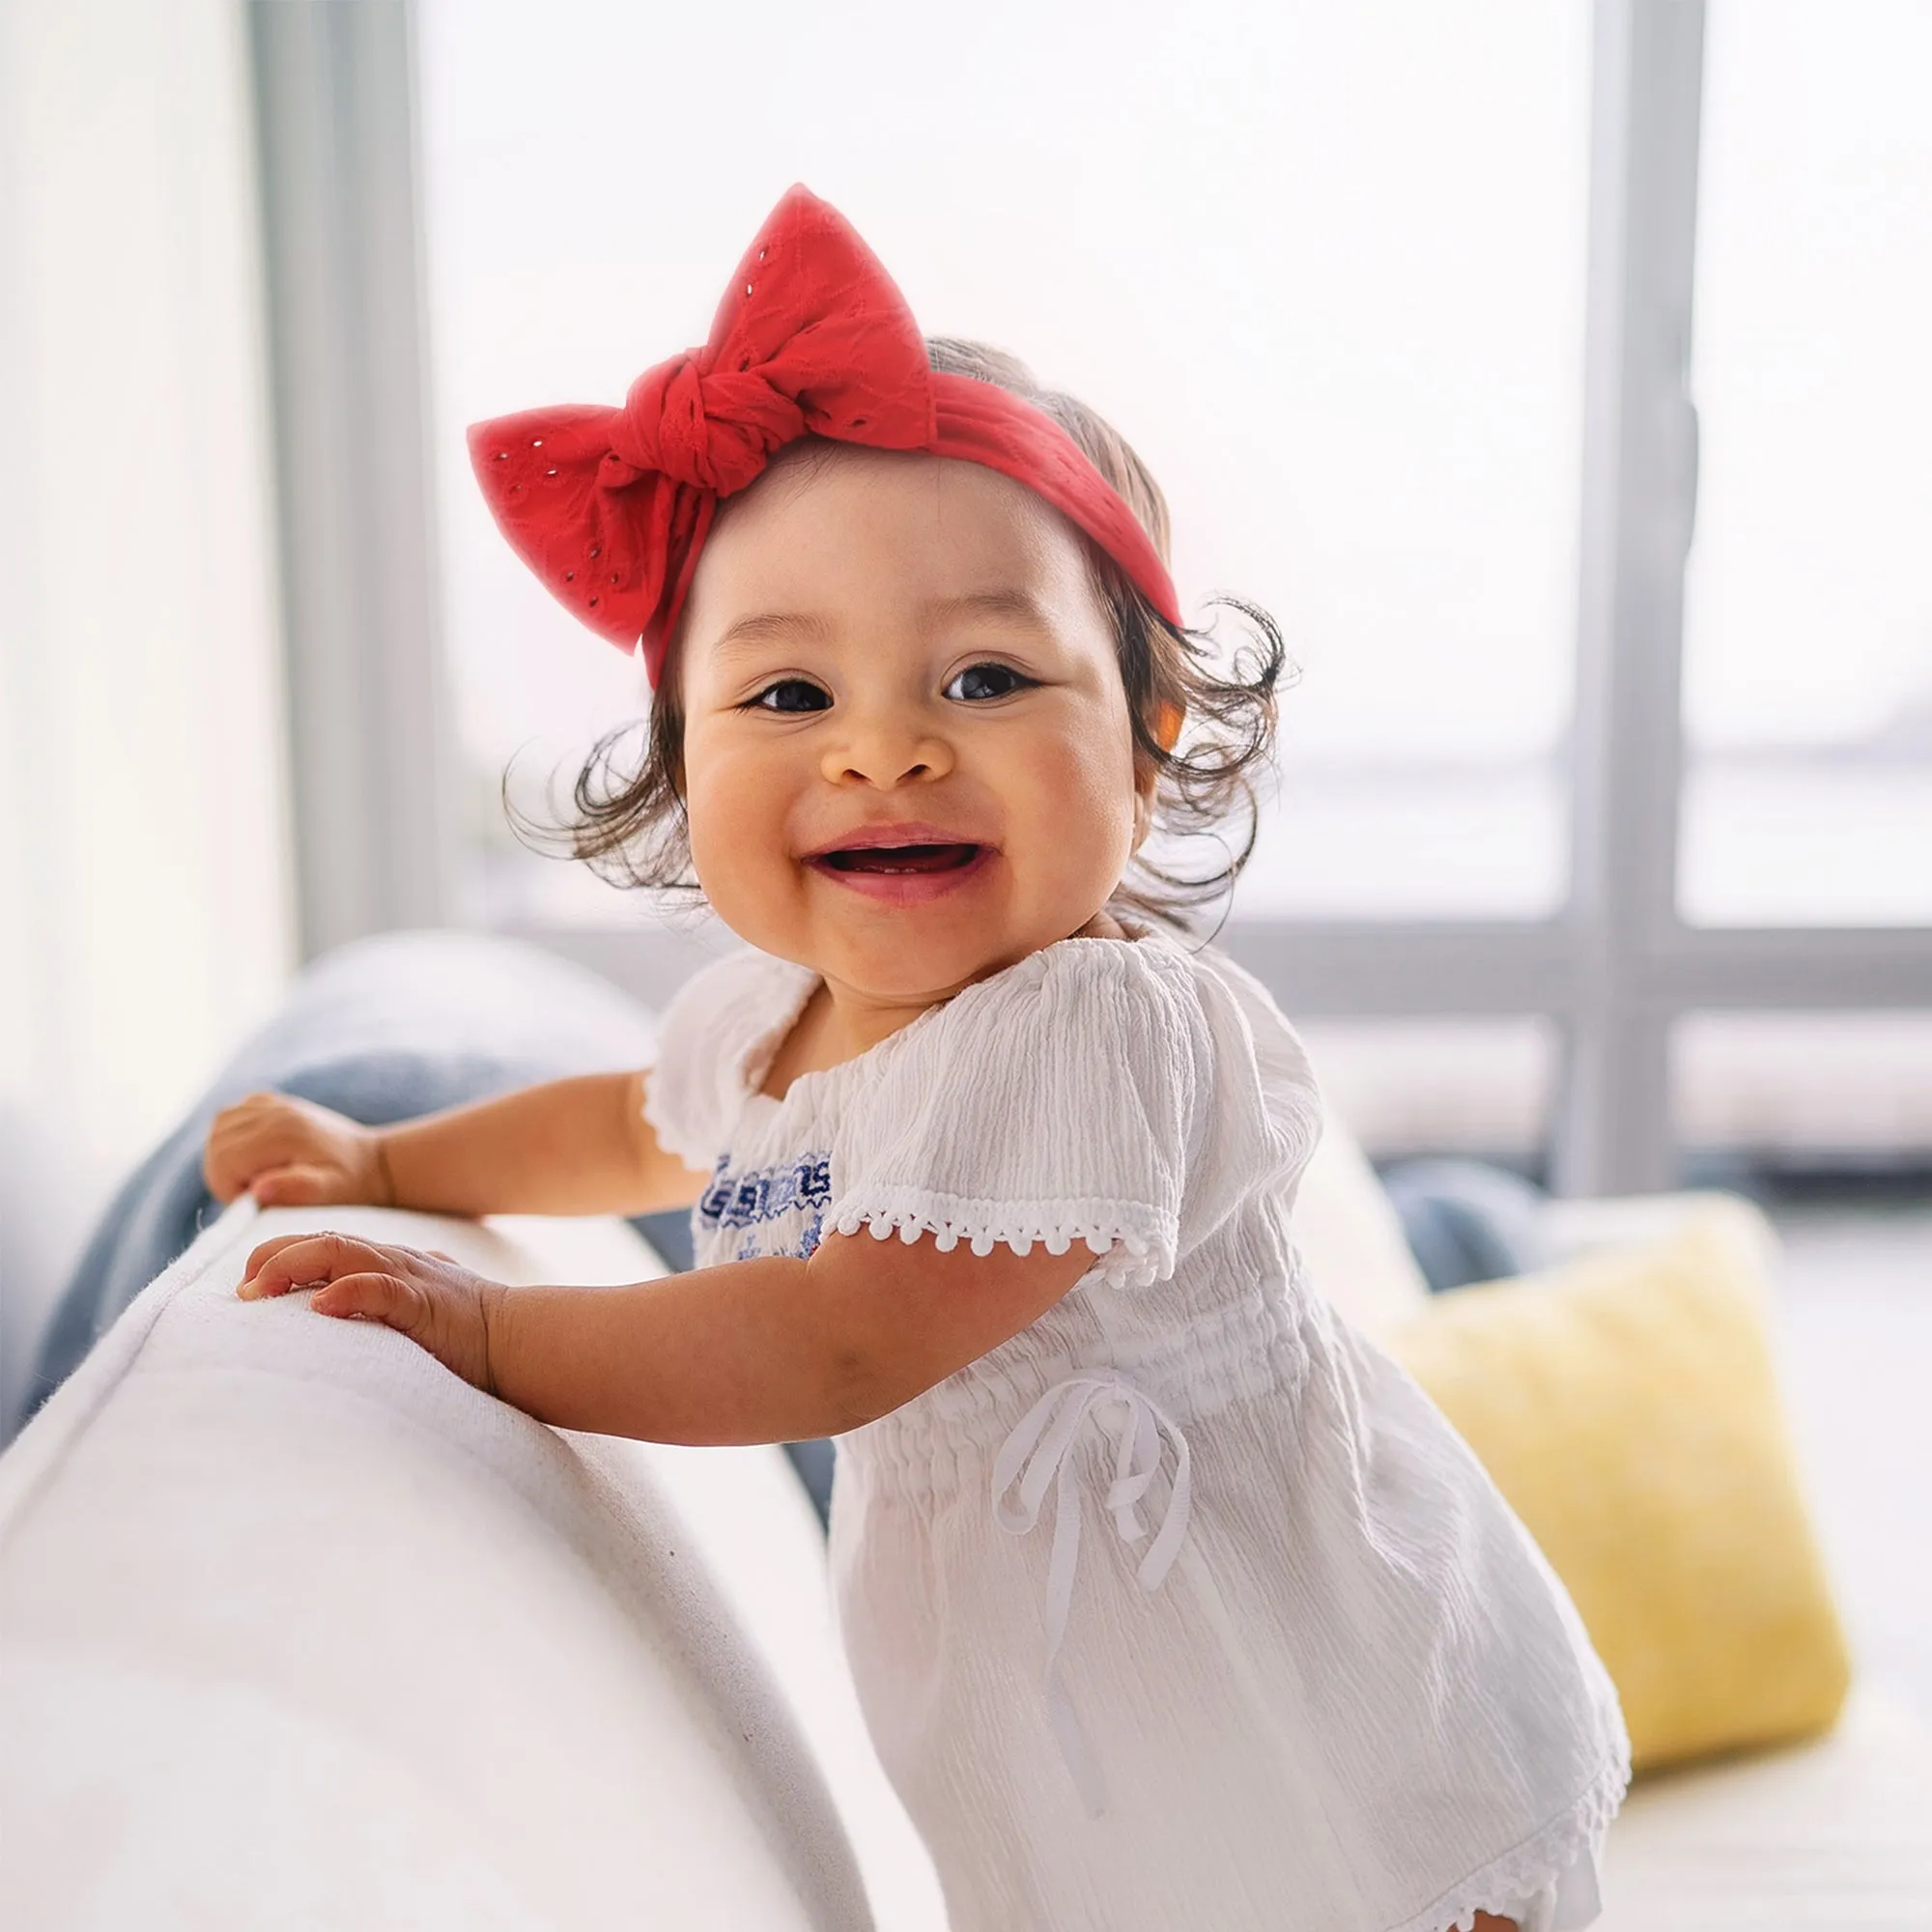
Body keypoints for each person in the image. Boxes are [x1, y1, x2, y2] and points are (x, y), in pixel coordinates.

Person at [208, 186, 1628, 1932]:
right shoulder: (762, 1024)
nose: (883, 749)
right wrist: (385, 1165)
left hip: (1317, 1703)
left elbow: (840, 1335)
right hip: (1079, 1725)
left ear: (1150, 731)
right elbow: (622, 1136)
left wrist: (491, 1334)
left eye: (983, 673)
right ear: (678, 752)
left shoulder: (1103, 1026)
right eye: (789, 698)